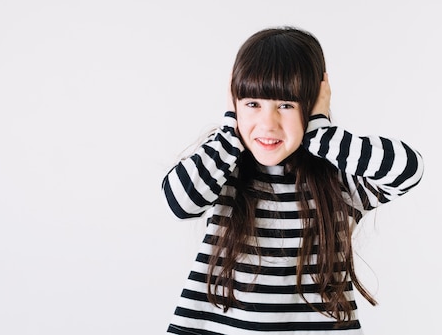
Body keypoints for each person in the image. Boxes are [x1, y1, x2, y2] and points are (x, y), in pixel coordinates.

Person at [162, 27, 424, 334]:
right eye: (252, 104)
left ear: (313, 105)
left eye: (286, 106)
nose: (267, 123)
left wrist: (320, 133)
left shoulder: (337, 177)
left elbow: (408, 169)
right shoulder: (223, 165)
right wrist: (232, 129)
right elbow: (179, 203)